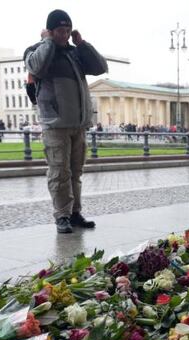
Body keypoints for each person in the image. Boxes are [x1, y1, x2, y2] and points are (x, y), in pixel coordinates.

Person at [25, 9, 108, 233]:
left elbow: (100, 67)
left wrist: (82, 44)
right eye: (60, 31)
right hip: (55, 124)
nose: (65, 35)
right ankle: (61, 215)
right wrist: (47, 42)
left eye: (68, 30)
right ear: (50, 31)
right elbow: (37, 67)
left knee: (75, 172)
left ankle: (74, 213)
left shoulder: (74, 53)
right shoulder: (36, 51)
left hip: (78, 124)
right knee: (59, 172)